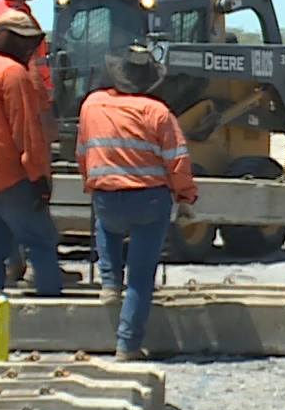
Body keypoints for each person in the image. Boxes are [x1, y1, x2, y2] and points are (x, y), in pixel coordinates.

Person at [79, 44, 200, 361]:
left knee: (107, 229)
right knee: (141, 278)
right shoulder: (157, 112)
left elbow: (83, 153)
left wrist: (92, 184)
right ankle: (128, 346)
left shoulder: (92, 105)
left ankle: (109, 282)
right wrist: (186, 196)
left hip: (106, 196)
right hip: (150, 200)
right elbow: (177, 160)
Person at [0, 9, 63, 296]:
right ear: (8, 40)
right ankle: (49, 304)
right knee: (41, 241)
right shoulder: (13, 73)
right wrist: (39, 176)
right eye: (25, 42)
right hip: (13, 175)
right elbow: (26, 131)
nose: (29, 49)